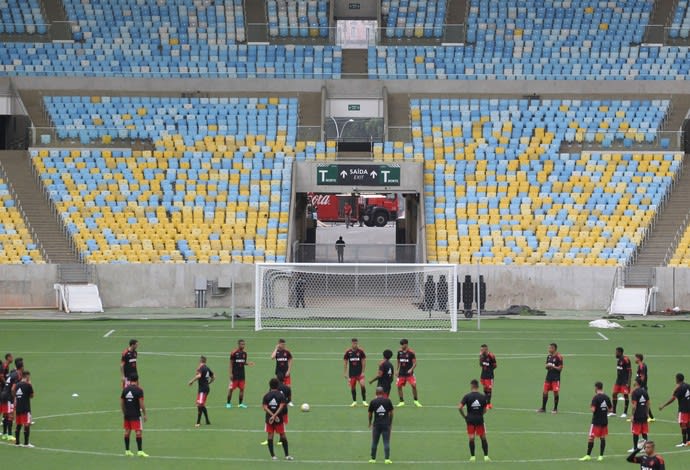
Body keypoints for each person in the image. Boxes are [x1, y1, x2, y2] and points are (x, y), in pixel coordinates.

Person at [579, 381, 613, 462]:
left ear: (596, 388)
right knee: (602, 438)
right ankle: (601, 456)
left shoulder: (595, 397)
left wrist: (592, 407)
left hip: (596, 421)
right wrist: (604, 411)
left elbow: (593, 409)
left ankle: (588, 455)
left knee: (591, 438)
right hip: (604, 421)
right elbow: (611, 409)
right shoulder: (607, 397)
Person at [459, 379, 490, 463]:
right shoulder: (482, 396)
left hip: (470, 420)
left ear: (472, 386)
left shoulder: (467, 396)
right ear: (478, 386)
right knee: (483, 437)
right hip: (479, 420)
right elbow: (486, 409)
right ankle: (486, 456)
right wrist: (481, 414)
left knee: (471, 438)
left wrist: (464, 416)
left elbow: (459, 407)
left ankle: (472, 457)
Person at [262, 378, 293, 461]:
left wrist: (272, 415)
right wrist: (275, 415)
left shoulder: (266, 395)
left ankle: (273, 456)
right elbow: (282, 406)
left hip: (269, 419)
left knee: (270, 436)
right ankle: (287, 455)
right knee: (282, 435)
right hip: (279, 418)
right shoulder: (281, 395)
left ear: (270, 386)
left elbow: (265, 407)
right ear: (277, 385)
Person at [658, 372, 690, 447]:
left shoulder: (679, 388)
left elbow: (673, 398)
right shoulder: (688, 385)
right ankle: (689, 440)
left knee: (683, 424)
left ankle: (684, 442)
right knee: (688, 424)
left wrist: (663, 405)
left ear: (677, 379)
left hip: (683, 409)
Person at [120, 372, 148, 457]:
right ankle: (140, 451)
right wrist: (145, 414)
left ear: (130, 380)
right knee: (138, 432)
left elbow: (121, 402)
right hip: (135, 414)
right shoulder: (139, 390)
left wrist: (124, 412)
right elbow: (141, 403)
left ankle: (127, 450)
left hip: (127, 414)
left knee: (127, 431)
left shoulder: (125, 389)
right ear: (137, 380)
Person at [368, 386, 394, 464]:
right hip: (386, 425)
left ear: (376, 393)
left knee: (374, 442)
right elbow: (392, 413)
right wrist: (390, 422)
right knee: (386, 442)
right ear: (383, 393)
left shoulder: (373, 402)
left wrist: (370, 423)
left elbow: (370, 414)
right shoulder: (388, 401)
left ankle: (373, 459)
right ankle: (387, 459)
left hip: (376, 425)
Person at [226, 339, 254, 409]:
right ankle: (228, 403)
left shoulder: (245, 353)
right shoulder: (234, 352)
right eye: (242, 344)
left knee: (242, 389)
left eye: (244, 344)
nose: (243, 345)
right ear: (238, 344)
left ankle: (240, 404)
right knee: (231, 389)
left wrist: (248, 363)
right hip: (234, 374)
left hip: (242, 374)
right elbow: (231, 363)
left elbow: (243, 362)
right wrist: (230, 373)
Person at [188, 356, 214, 427]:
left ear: (200, 361)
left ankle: (198, 422)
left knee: (199, 405)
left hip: (202, 389)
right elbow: (213, 377)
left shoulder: (201, 368)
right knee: (202, 405)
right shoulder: (207, 368)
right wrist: (209, 383)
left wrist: (191, 381)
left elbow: (199, 376)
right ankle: (207, 421)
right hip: (206, 388)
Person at [1, 356, 23, 442]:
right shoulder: (17, 375)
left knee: (6, 415)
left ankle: (4, 434)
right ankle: (9, 435)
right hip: (8, 396)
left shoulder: (12, 373)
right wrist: (14, 398)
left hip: (3, 394)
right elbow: (13, 388)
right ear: (21, 367)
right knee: (10, 415)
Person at [537, 343, 563, 414]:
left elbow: (560, 368)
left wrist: (553, 366)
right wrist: (547, 366)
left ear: (554, 348)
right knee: (545, 392)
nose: (549, 349)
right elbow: (546, 366)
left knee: (555, 393)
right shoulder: (549, 356)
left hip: (556, 378)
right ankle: (543, 408)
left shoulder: (559, 357)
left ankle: (555, 409)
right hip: (548, 377)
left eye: (550, 348)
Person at [396, 339, 421, 407]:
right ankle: (401, 401)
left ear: (406, 344)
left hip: (409, 374)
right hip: (401, 373)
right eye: (401, 344)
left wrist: (411, 369)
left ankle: (416, 401)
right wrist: (397, 370)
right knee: (399, 386)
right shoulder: (399, 352)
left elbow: (415, 363)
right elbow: (398, 361)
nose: (401, 346)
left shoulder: (411, 352)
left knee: (413, 386)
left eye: (402, 344)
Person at [12, 370, 33, 447]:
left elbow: (12, 390)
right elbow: (32, 396)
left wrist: (17, 397)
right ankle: (26, 443)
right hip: (26, 407)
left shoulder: (17, 385)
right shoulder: (28, 385)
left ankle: (17, 442)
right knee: (27, 424)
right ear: (27, 376)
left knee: (19, 424)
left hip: (18, 407)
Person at [629, 377, 651, 452]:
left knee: (636, 432)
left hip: (637, 415)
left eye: (634, 381)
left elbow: (634, 405)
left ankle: (635, 448)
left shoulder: (634, 392)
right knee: (644, 431)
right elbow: (648, 403)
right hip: (644, 414)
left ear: (637, 382)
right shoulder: (644, 391)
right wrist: (647, 413)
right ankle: (646, 448)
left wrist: (632, 415)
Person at [344, 338, 367, 407]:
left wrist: (363, 371)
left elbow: (363, 361)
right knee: (352, 387)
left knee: (362, 385)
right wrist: (345, 373)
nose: (355, 345)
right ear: (351, 343)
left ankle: (364, 401)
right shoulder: (348, 352)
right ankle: (354, 401)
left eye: (356, 343)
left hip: (359, 373)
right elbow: (345, 362)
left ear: (357, 343)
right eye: (354, 343)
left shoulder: (361, 351)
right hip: (352, 374)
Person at [612, 347, 632, 418]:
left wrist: (629, 382)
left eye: (616, 352)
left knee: (625, 395)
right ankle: (614, 412)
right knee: (614, 394)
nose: (615, 353)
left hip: (625, 381)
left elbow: (630, 371)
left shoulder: (626, 359)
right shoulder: (619, 360)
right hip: (618, 380)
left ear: (620, 352)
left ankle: (625, 412)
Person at [635, 353, 655, 421]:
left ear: (638, 358)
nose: (635, 359)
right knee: (640, 401)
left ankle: (650, 417)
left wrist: (640, 386)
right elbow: (638, 376)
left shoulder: (643, 366)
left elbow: (643, 377)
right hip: (640, 386)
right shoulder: (639, 366)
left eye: (636, 358)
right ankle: (651, 417)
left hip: (642, 387)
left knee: (645, 401)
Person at [479, 344, 497, 409]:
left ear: (486, 349)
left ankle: (488, 404)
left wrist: (489, 368)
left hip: (489, 376)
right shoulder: (481, 355)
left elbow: (495, 365)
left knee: (489, 389)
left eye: (482, 350)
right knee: (485, 388)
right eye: (480, 349)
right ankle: (486, 402)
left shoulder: (491, 356)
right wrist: (481, 357)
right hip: (483, 375)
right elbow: (480, 364)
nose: (480, 351)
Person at [0, 353, 13, 441]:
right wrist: (6, 385)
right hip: (2, 389)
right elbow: (1, 376)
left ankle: (3, 420)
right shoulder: (4, 366)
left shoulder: (6, 366)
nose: (12, 358)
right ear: (8, 358)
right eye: (11, 357)